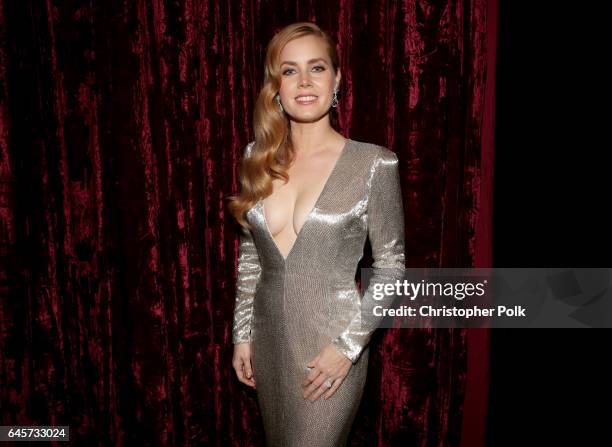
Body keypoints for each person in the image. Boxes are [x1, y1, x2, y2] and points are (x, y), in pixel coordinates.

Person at [227, 22, 406, 446]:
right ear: (276, 86)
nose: (304, 82)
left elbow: (391, 268)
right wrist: (242, 333)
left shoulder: (373, 164)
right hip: (268, 346)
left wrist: (347, 348)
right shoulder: (256, 157)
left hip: (331, 351)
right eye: (289, 71)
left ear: (337, 78)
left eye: (317, 68)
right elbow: (251, 256)